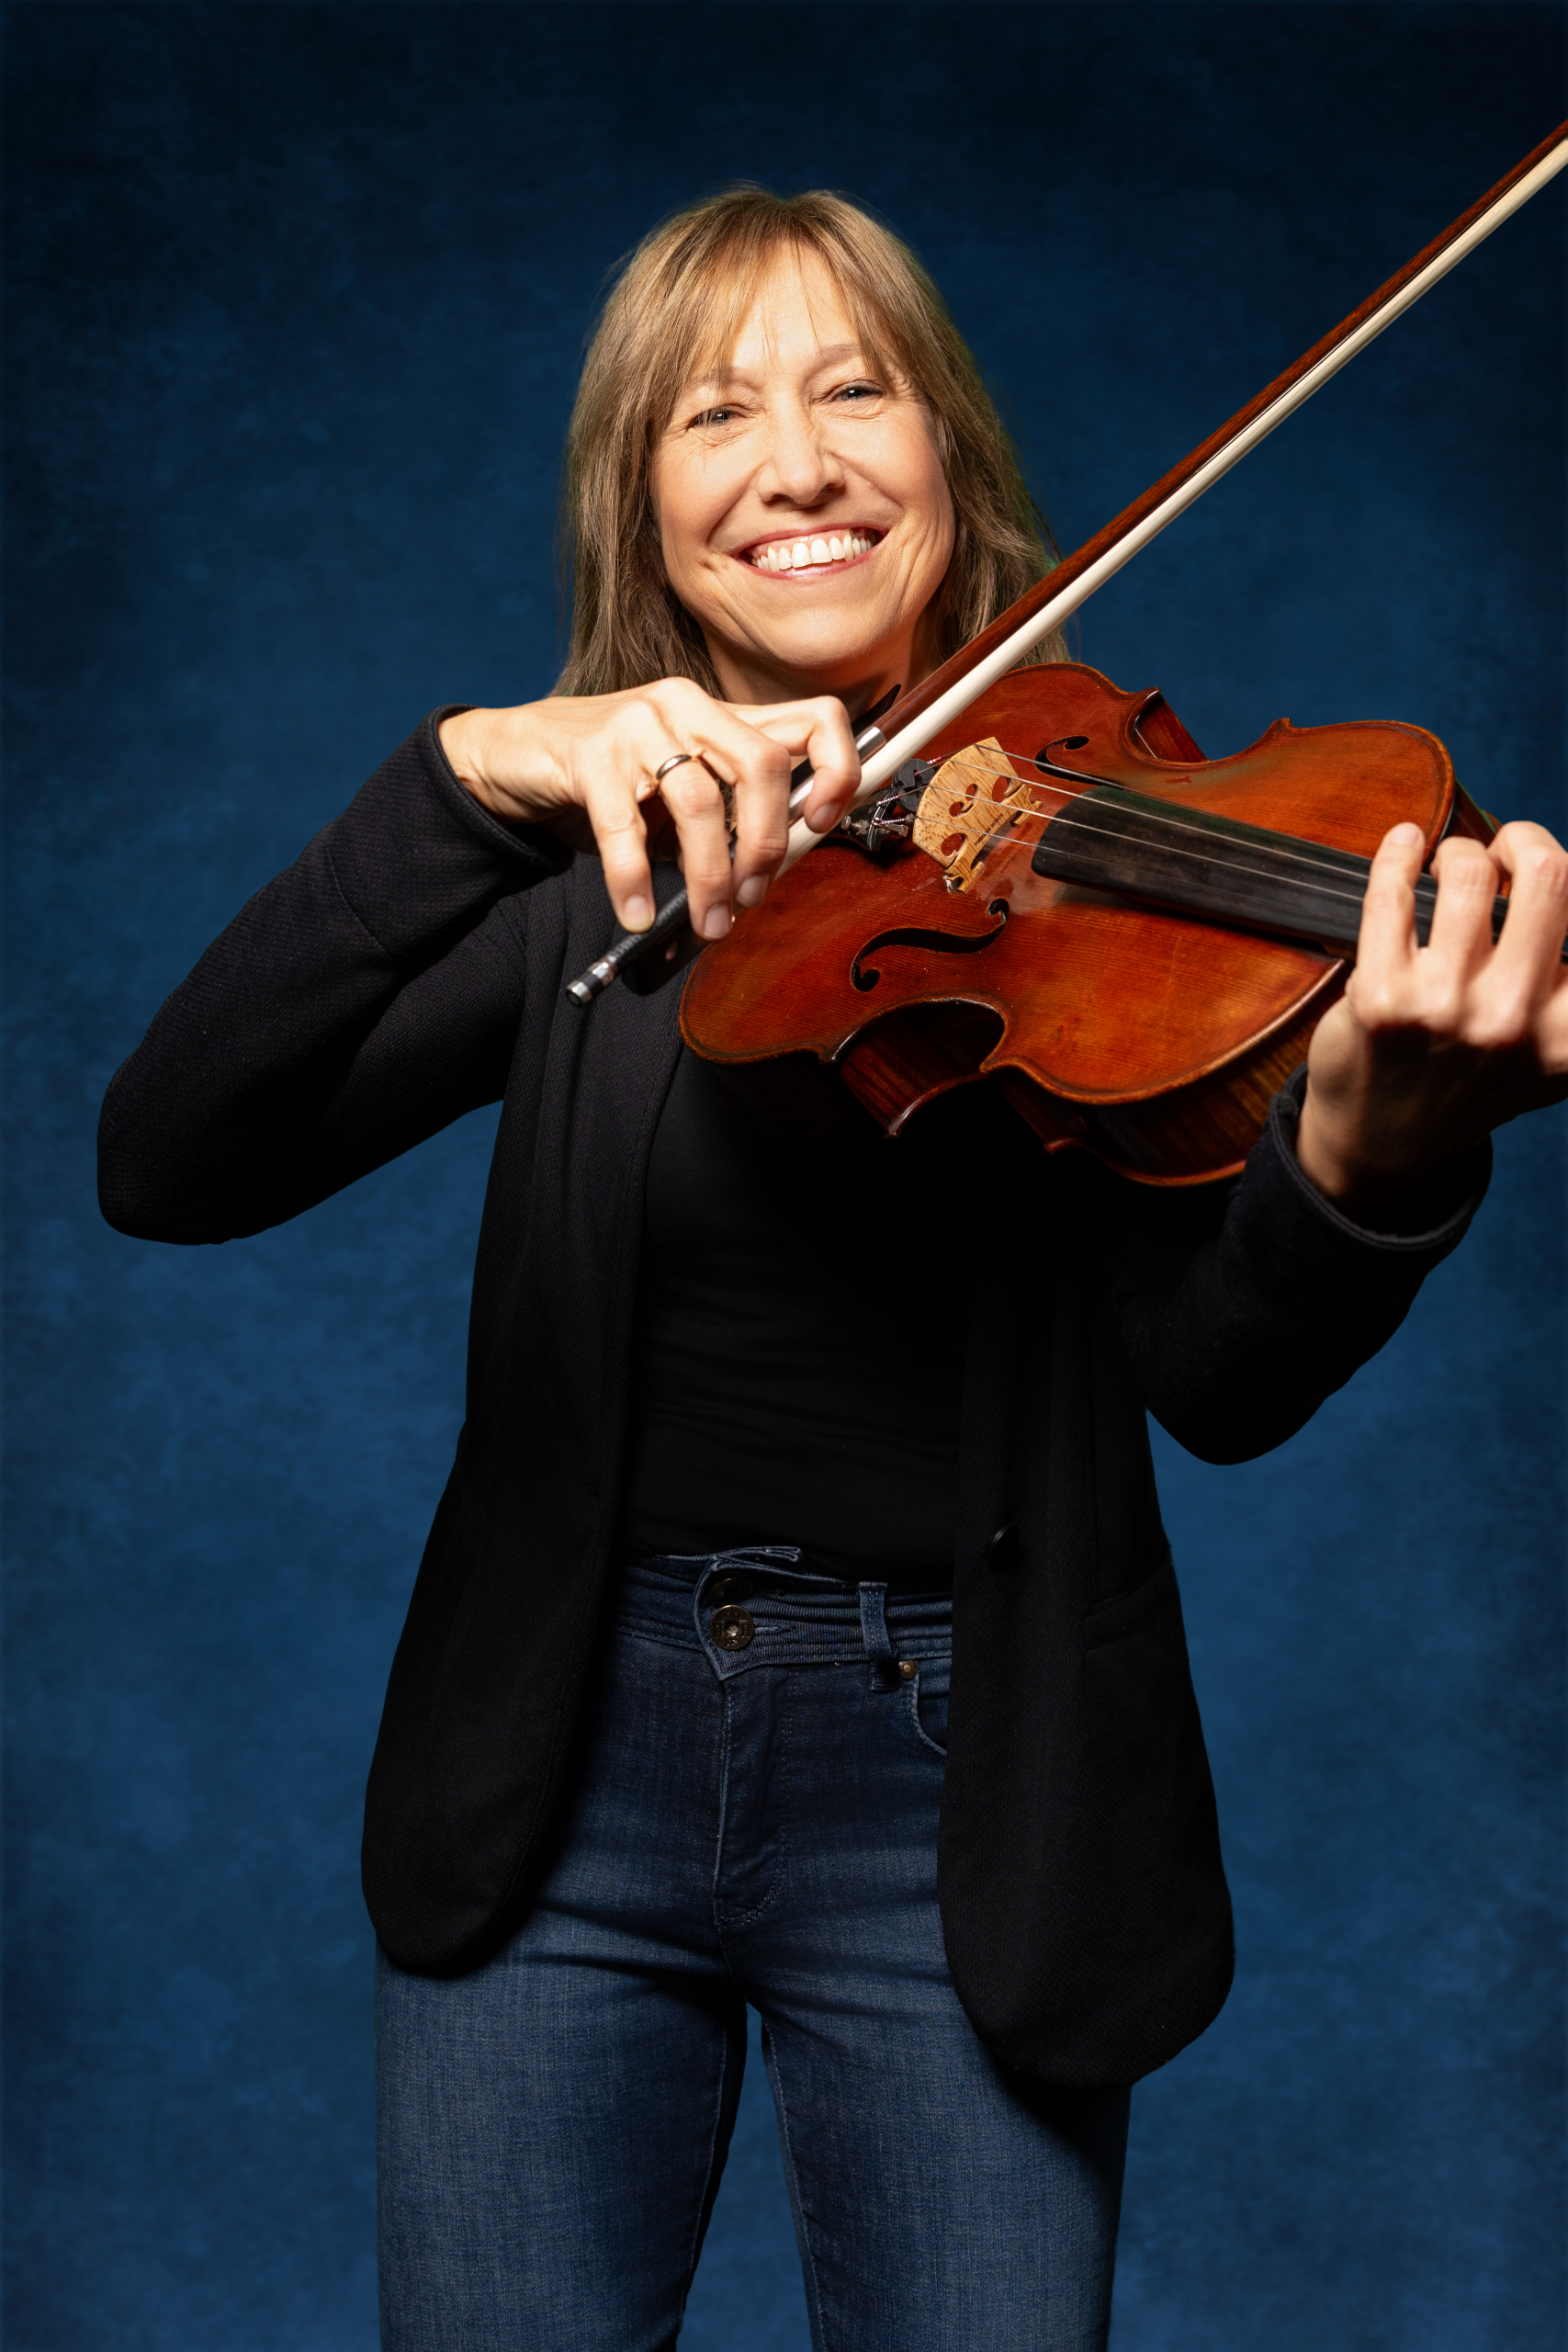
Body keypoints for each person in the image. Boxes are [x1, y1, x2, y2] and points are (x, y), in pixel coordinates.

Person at [97, 188, 1568, 2352]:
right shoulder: (590, 872)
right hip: (560, 1766)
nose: (794, 463)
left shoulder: (1112, 875)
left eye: (853, 391)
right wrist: (477, 764)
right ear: (643, 504)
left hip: (963, 1785)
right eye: (713, 413)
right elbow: (170, 1155)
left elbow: (1219, 1376)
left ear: (944, 452)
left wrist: (1366, 1152)